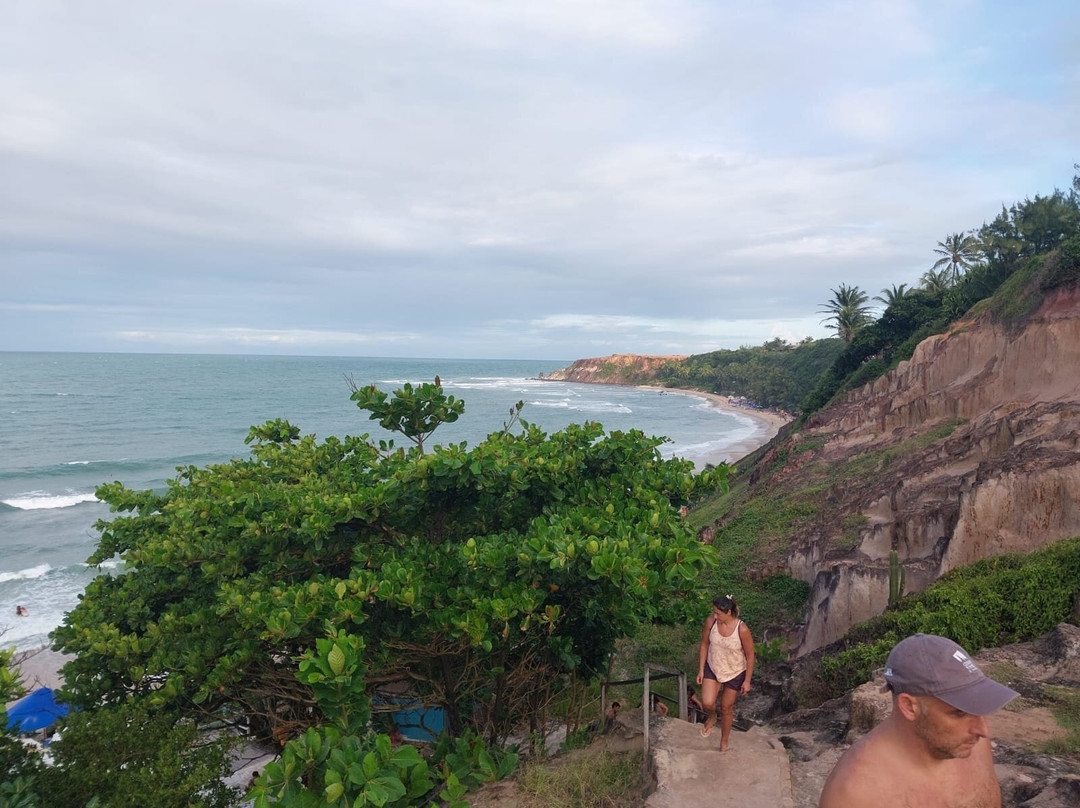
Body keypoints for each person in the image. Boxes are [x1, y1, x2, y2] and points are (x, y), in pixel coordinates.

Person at [819, 633, 1019, 808]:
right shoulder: (855, 795)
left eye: (977, 707)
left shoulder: (974, 745)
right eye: (959, 713)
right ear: (909, 706)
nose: (983, 730)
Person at [696, 594, 754, 751]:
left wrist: (747, 681)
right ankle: (712, 716)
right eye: (714, 612)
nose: (715, 616)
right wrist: (701, 669)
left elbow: (750, 656)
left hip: (735, 671)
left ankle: (724, 742)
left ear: (728, 612)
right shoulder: (711, 622)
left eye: (718, 613)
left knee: (726, 707)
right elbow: (704, 644)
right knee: (707, 702)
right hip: (713, 666)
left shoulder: (742, 629)